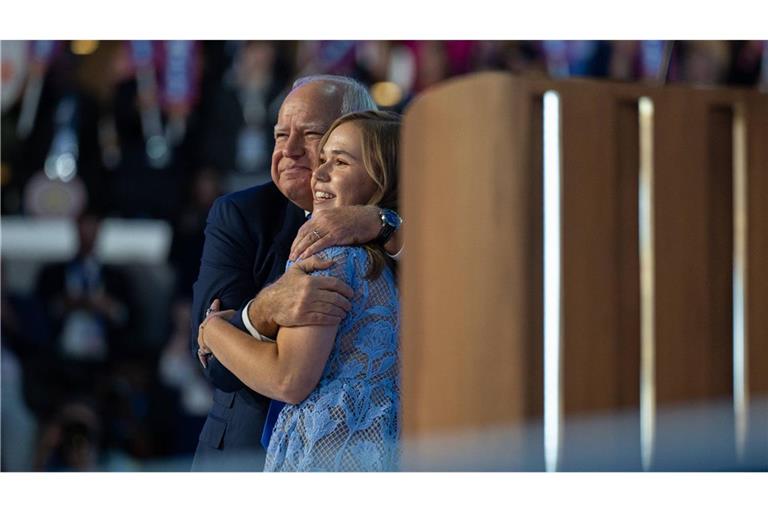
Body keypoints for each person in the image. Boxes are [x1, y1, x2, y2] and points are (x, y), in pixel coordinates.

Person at [189, 75, 402, 471]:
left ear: (359, 132)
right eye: (279, 135)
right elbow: (216, 366)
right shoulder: (239, 215)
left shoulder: (371, 239)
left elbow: (286, 377)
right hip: (243, 459)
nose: (288, 150)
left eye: (311, 135)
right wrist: (263, 310)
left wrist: (382, 221)